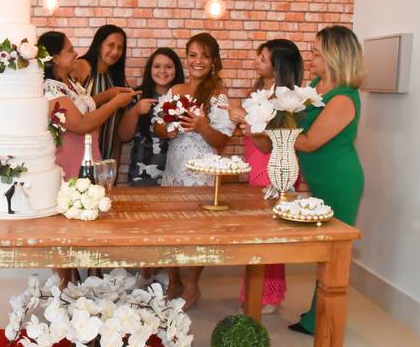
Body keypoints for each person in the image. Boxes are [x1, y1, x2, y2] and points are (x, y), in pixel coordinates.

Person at [243, 25, 365, 334]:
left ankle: (323, 321)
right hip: (318, 177)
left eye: (317, 53)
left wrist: (269, 123)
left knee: (333, 253)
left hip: (339, 180)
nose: (311, 58)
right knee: (322, 250)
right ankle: (316, 315)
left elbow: (309, 142)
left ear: (335, 57)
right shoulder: (316, 86)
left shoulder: (344, 98)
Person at [39, 30, 136, 286]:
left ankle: (92, 276)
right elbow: (80, 124)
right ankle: (66, 282)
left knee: (90, 213)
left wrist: (108, 94)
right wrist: (115, 104)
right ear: (55, 58)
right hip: (69, 158)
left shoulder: (69, 83)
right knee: (67, 221)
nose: (76, 53)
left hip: (87, 154)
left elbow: (82, 104)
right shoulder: (50, 89)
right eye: (70, 50)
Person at [153, 33, 235, 308]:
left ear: (213, 61)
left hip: (202, 169)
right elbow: (157, 125)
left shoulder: (218, 95)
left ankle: (191, 284)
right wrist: (168, 130)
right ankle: (174, 280)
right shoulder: (175, 89)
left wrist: (201, 126)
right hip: (175, 167)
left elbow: (221, 141)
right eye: (192, 55)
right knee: (170, 227)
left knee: (199, 230)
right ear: (186, 58)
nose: (198, 61)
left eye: (205, 56)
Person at [227, 39, 304, 314]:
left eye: (263, 58)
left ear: (279, 65)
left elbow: (269, 143)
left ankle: (267, 296)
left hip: (274, 167)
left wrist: (243, 119)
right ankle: (257, 292)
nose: (256, 61)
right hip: (258, 163)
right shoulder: (263, 91)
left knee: (267, 234)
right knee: (258, 232)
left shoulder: (285, 98)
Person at [118, 47, 184, 186]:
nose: (162, 71)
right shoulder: (137, 96)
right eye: (157, 66)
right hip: (142, 176)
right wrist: (135, 111)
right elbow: (124, 136)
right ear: (150, 69)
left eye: (168, 67)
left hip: (177, 174)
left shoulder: (184, 99)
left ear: (176, 70)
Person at [74, 25, 129, 166]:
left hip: (106, 155)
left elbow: (117, 128)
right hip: (80, 154)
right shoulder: (81, 67)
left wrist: (115, 162)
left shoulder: (117, 78)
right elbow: (72, 112)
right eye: (111, 45)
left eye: (120, 47)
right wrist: (107, 96)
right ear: (99, 45)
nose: (115, 52)